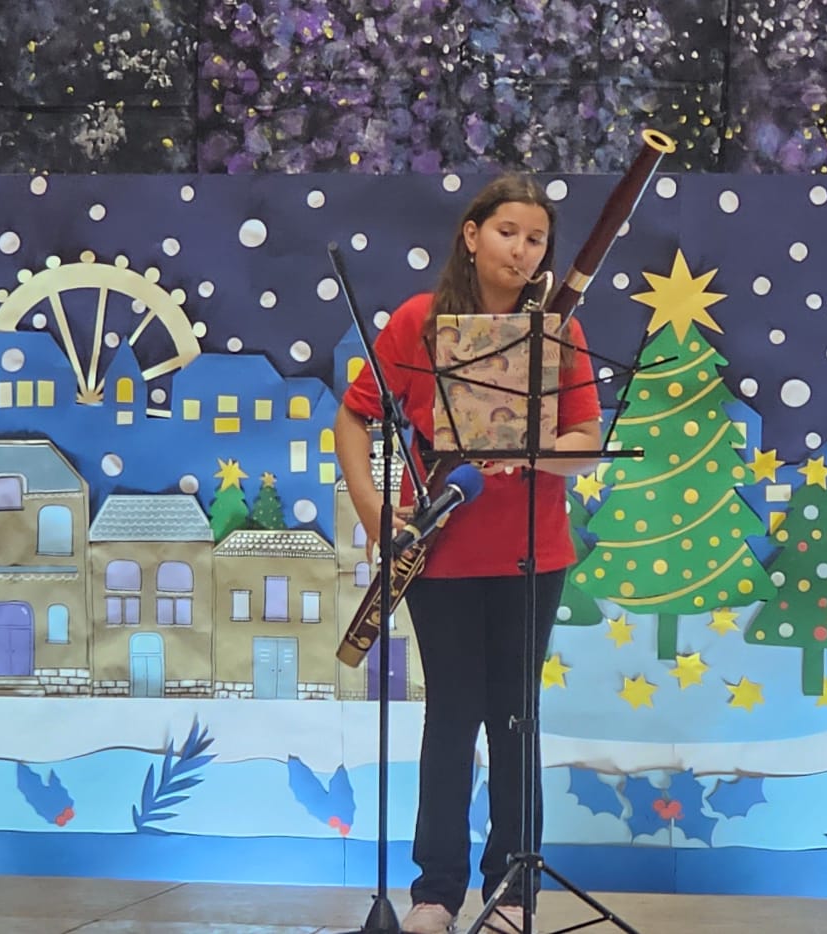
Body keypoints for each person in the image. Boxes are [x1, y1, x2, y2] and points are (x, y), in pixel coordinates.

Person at [335, 174, 602, 934]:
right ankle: (436, 893)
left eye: (536, 239)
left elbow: (586, 444)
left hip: (533, 555)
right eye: (508, 232)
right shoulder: (418, 322)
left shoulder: (560, 330)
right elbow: (353, 418)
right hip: (441, 549)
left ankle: (513, 891)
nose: (522, 249)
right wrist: (374, 512)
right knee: (451, 716)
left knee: (516, 718)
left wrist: (527, 447)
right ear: (472, 234)